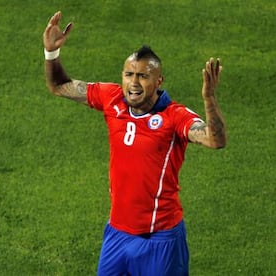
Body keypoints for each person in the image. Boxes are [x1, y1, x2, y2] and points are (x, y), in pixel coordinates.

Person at [43, 11, 227, 276]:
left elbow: (215, 139)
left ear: (158, 81)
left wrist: (209, 98)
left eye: (143, 76)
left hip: (161, 239)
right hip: (117, 233)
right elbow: (59, 86)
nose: (134, 82)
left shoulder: (174, 116)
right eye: (129, 74)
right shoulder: (112, 98)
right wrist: (51, 53)